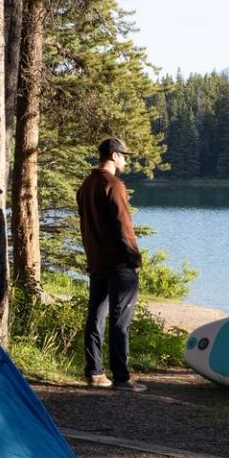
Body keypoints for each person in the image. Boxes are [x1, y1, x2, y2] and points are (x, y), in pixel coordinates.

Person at [77, 136, 146, 392]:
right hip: (118, 264)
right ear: (114, 156)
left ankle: (95, 372)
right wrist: (134, 259)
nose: (125, 160)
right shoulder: (114, 185)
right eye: (124, 156)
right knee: (120, 319)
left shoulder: (86, 185)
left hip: (97, 262)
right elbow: (123, 226)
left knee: (95, 316)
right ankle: (122, 377)